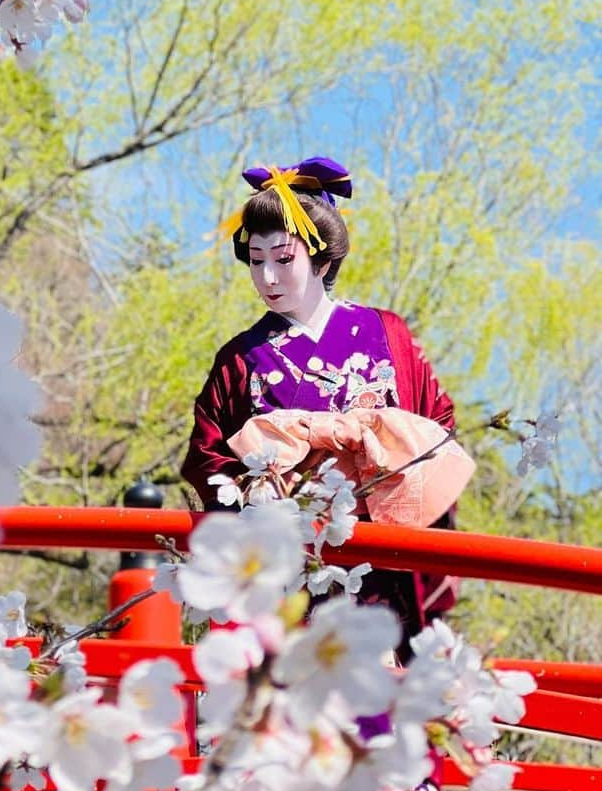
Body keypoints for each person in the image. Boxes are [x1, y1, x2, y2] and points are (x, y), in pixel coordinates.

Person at [181, 156, 458, 655]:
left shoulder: (387, 333)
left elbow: (436, 425)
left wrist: (385, 466)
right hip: (288, 562)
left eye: (283, 260)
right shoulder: (240, 359)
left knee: (380, 702)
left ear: (322, 260)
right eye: (256, 259)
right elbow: (209, 456)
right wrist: (260, 491)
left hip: (378, 559)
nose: (267, 276)